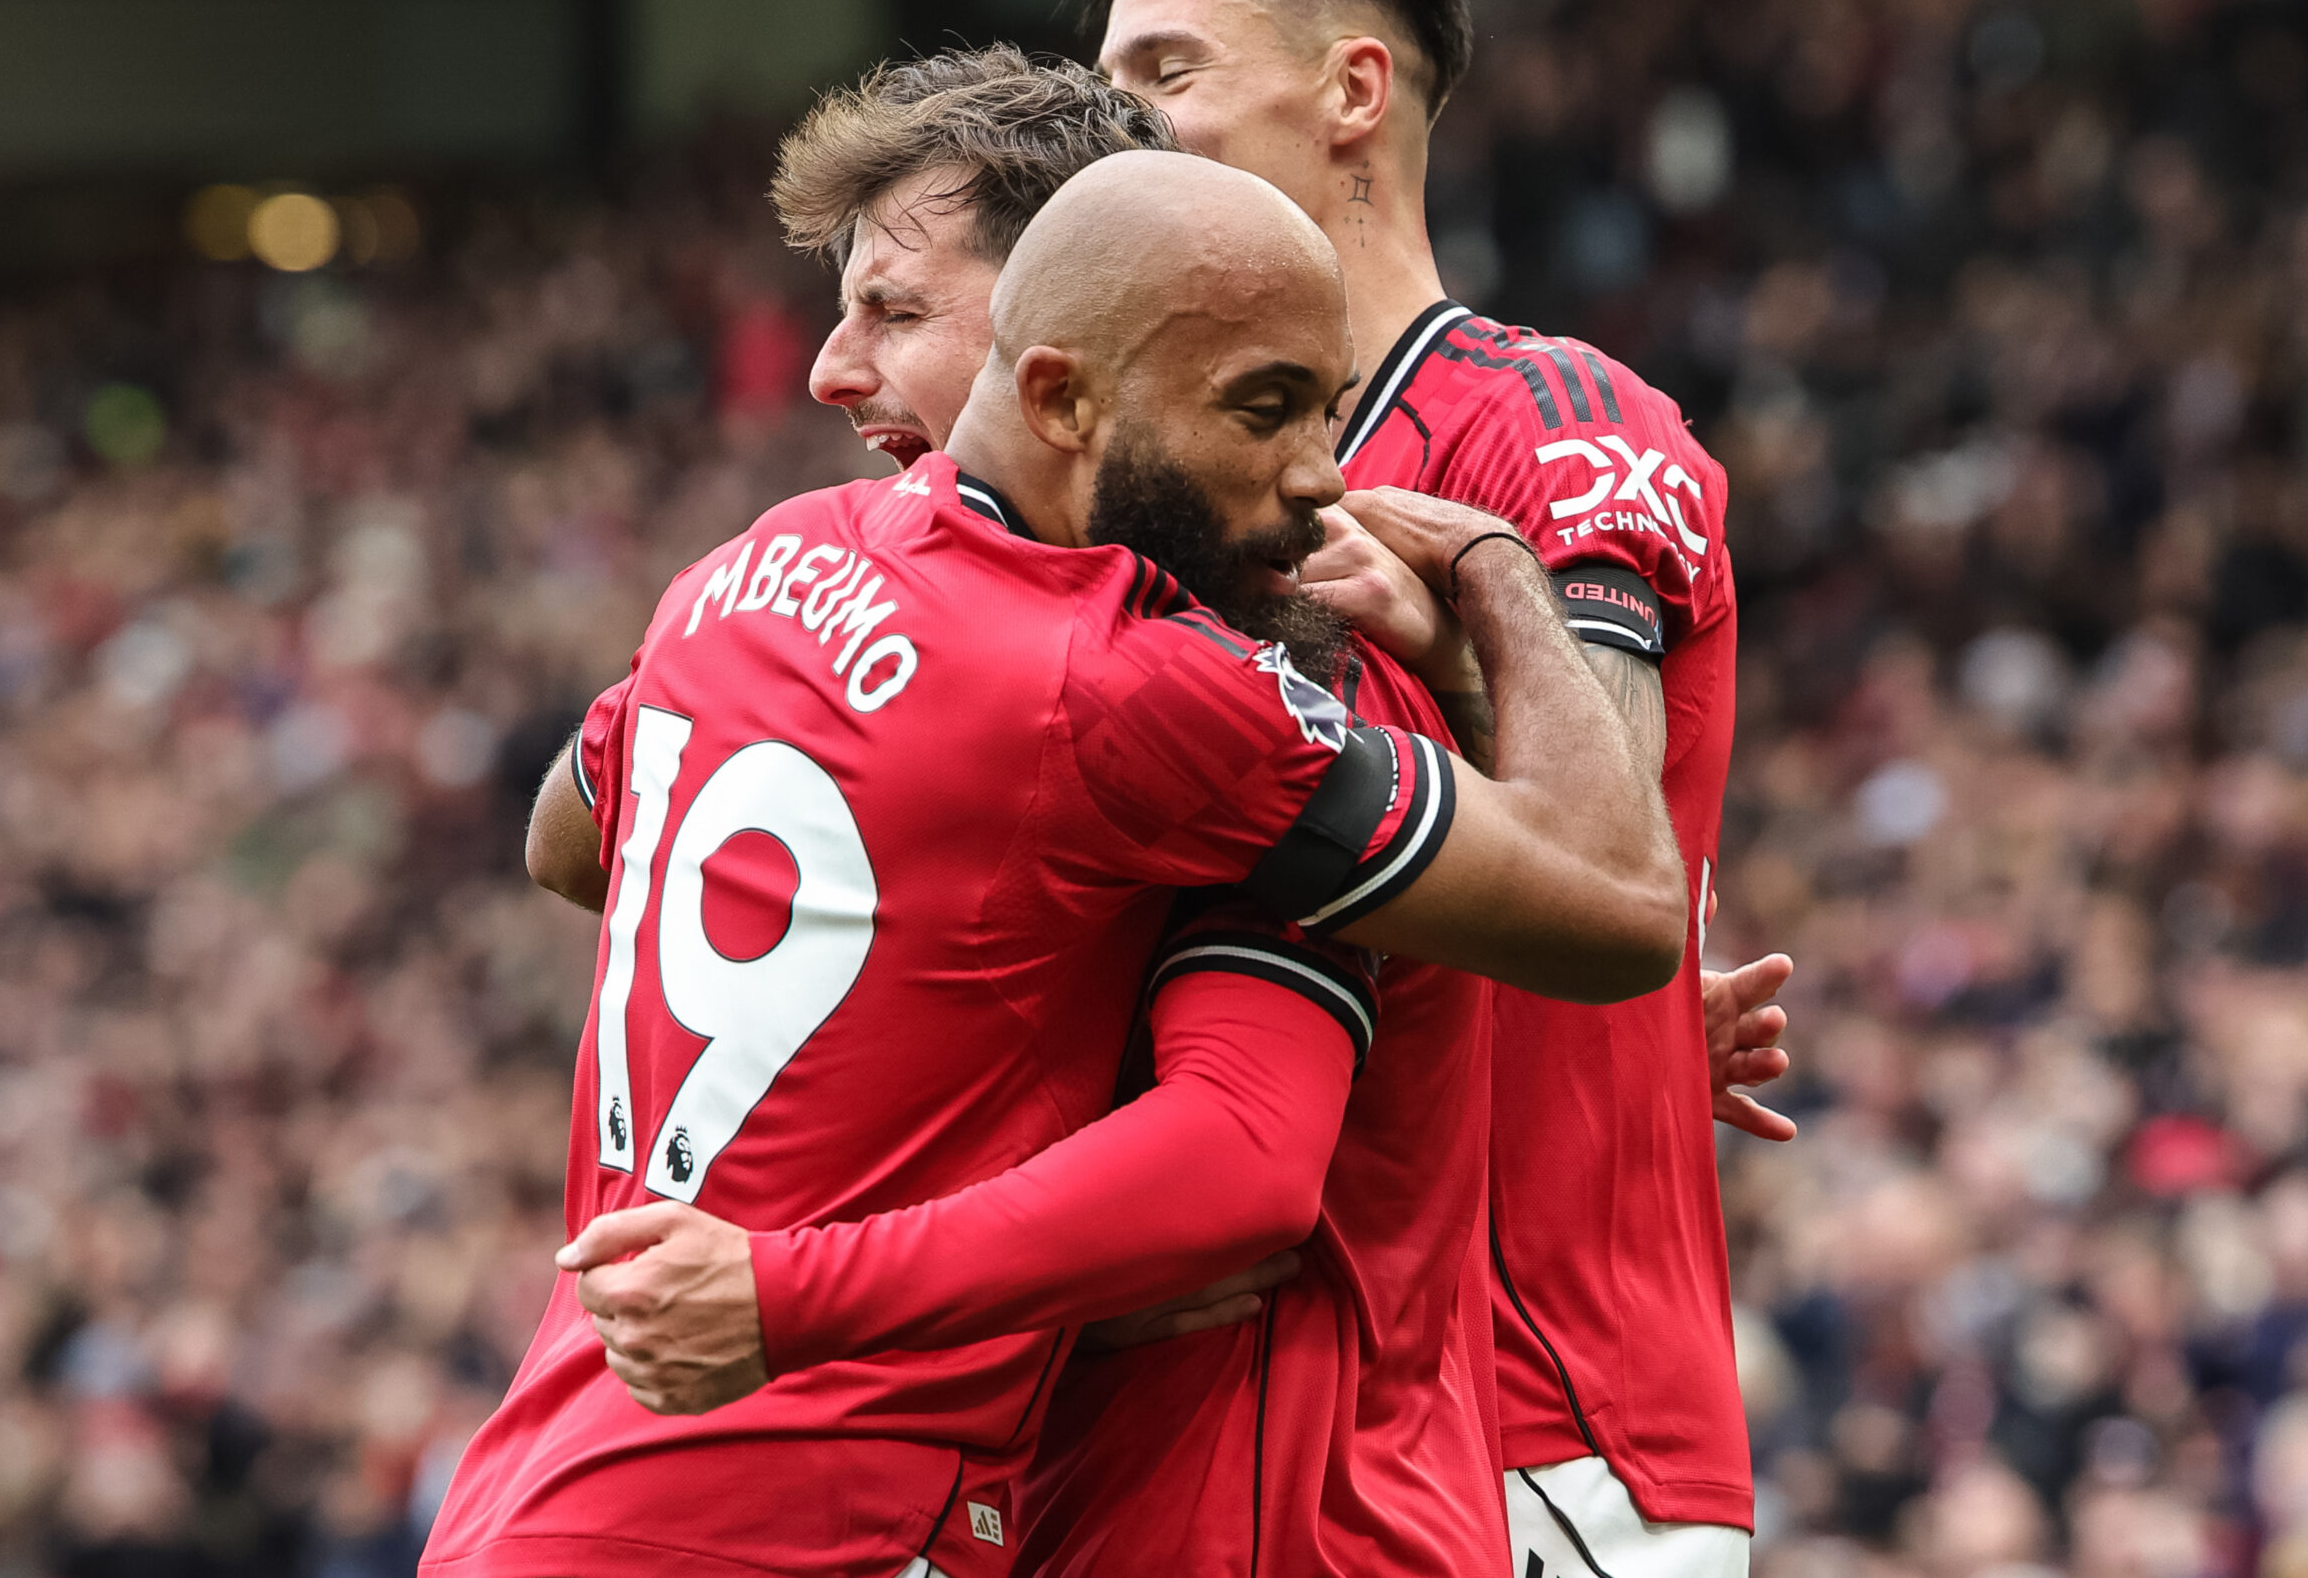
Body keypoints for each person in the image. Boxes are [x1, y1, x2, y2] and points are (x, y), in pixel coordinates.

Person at [418, 148, 1686, 1577]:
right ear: (1059, 392)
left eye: (1328, 411)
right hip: (795, 1523)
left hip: (542, 1486)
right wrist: (1502, 573)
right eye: (1264, 412)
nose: (1325, 479)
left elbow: (571, 837)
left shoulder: (747, 566)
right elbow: (1622, 906)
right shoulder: (1139, 685)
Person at [1070, 0, 1784, 1574]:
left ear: (1353, 94)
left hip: (1547, 1428)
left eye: (1166, 70)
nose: (1115, 124)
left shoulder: (1545, 420)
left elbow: (1593, 851)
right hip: (1320, 1426)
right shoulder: (1186, 494)